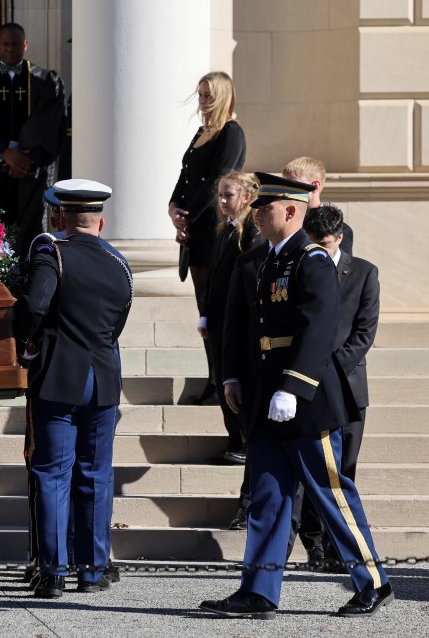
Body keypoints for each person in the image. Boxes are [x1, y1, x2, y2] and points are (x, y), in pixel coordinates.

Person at [202, 173, 392, 619]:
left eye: (264, 208)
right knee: (269, 494)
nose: (257, 214)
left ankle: (374, 582)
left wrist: (294, 386)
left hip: (304, 399)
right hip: (267, 395)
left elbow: (319, 328)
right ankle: (259, 591)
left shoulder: (312, 260)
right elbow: (248, 329)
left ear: (290, 210)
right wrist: (233, 377)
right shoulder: (265, 260)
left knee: (330, 492)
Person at [16, 179, 133, 598]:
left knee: (52, 473)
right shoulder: (118, 262)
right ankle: (92, 570)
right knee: (96, 475)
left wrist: (27, 342)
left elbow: (33, 306)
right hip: (103, 378)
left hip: (59, 377)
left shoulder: (52, 253)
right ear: (100, 221)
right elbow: (118, 322)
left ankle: (51, 571)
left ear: (62, 217)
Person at [288, 205, 379, 569]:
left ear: (339, 238)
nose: (318, 250)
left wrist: (326, 369)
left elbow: (364, 332)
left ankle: (341, 548)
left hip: (346, 383)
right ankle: (315, 546)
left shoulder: (363, 272)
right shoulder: (298, 266)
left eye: (324, 243)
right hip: (308, 385)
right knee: (312, 470)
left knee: (343, 470)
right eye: (312, 242)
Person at [168, 72, 246, 404]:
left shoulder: (231, 133)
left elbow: (218, 181)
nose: (202, 101)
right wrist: (173, 207)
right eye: (200, 94)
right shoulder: (202, 133)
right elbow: (186, 176)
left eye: (209, 96)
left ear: (224, 97)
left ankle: (222, 380)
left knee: (216, 308)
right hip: (195, 232)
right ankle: (213, 376)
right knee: (204, 308)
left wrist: (186, 215)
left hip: (213, 231)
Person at [0, 22, 67, 256]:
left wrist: (27, 157)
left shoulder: (46, 82)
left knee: (30, 234)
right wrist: (3, 153)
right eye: (5, 44)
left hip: (30, 173)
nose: (9, 49)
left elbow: (50, 124)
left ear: (25, 45)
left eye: (15, 44)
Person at [199, 171, 263, 465]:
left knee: (236, 381)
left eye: (229, 195)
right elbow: (214, 279)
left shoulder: (251, 232)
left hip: (235, 322)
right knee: (224, 377)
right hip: (218, 322)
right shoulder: (225, 229)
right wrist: (205, 315)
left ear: (246, 197)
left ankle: (244, 443)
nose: (223, 201)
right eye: (221, 195)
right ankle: (234, 440)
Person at [282, 156, 354, 254]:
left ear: (314, 186)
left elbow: (342, 266)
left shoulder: (338, 228)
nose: (287, 193)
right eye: (285, 187)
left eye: (293, 186)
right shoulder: (283, 224)